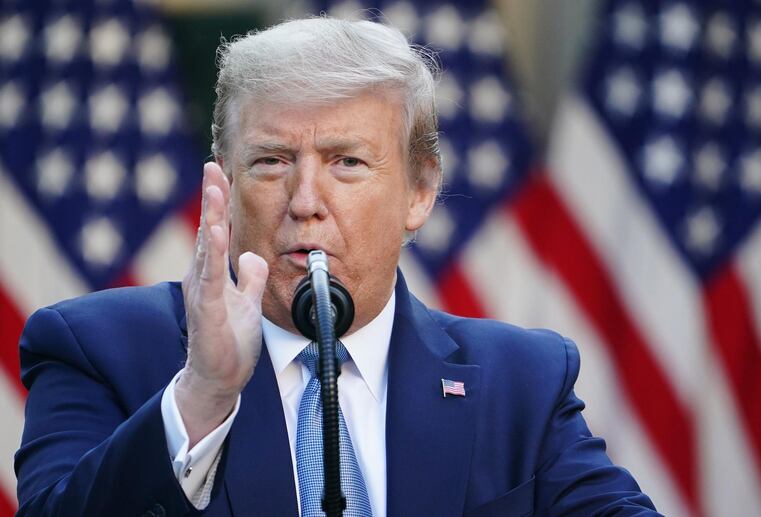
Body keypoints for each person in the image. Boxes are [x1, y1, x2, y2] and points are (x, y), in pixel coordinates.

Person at [14, 16, 660, 516]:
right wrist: (204, 392)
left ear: (419, 192)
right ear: (226, 183)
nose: (304, 202)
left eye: (347, 162)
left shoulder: (521, 381)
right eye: (270, 160)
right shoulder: (94, 344)